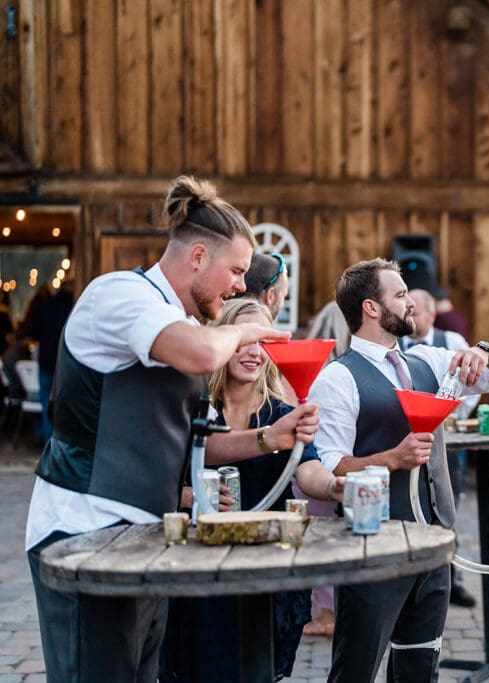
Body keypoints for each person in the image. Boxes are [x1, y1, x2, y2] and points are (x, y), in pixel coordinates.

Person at [24, 175, 319, 682]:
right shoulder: (119, 294)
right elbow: (203, 351)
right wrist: (249, 327)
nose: (240, 287)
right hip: (83, 534)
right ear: (198, 257)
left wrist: (274, 436)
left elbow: (195, 443)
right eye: (236, 271)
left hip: (146, 539)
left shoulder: (177, 323)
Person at [308, 257, 489, 682]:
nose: (412, 305)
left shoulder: (430, 361)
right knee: (356, 670)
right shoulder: (337, 378)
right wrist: (391, 459)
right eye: (401, 295)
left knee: (419, 667)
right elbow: (326, 470)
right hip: (373, 550)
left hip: (434, 545)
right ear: (371, 308)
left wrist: (484, 351)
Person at [160, 298, 345, 682]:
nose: (253, 353)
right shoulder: (195, 407)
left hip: (264, 565)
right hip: (199, 568)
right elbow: (159, 474)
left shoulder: (279, 412)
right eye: (244, 340)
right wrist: (190, 498)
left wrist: (332, 486)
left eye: (263, 343)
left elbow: (306, 469)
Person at [401, 287, 478, 608]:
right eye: (409, 309)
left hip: (446, 441)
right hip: (406, 441)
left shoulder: (451, 343)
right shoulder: (396, 345)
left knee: (447, 507)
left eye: (417, 311)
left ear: (432, 315)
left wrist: (451, 413)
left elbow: (473, 387)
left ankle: (451, 578)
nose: (412, 316)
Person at [299, 299, 353, 637]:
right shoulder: (350, 370)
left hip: (313, 458)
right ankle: (337, 610)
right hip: (340, 461)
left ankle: (325, 614)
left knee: (317, 538)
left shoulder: (312, 365)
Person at [22, 280, 75, 442]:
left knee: (46, 405)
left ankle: (49, 445)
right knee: (67, 407)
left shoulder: (46, 306)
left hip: (45, 362)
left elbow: (32, 331)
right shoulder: (73, 308)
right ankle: (63, 447)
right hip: (65, 363)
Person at [239, 251, 289, 321]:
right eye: (283, 296)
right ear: (270, 296)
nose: (283, 304)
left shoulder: (222, 326)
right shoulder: (263, 331)